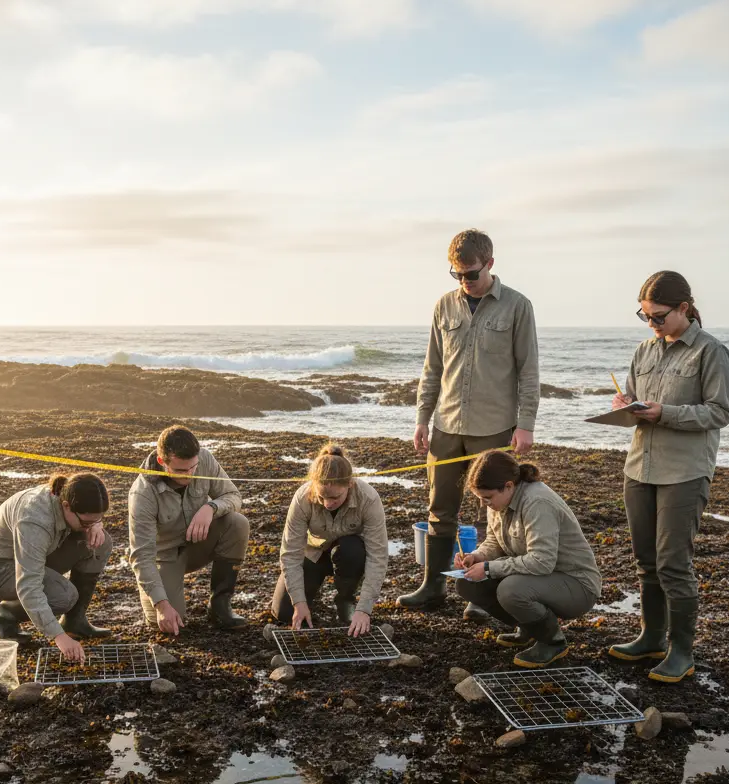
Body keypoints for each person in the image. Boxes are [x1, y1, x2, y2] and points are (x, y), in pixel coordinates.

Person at [399, 229, 540, 621]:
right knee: (439, 509)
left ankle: (482, 597)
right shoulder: (444, 306)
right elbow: (432, 369)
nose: (465, 282)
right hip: (445, 426)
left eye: (471, 274)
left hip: (494, 428)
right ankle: (432, 588)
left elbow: (529, 372)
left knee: (493, 515)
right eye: (457, 274)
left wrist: (525, 425)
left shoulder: (517, 306)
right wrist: (422, 420)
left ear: (490, 264)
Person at [607, 271, 729, 683]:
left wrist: (665, 413)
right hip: (639, 468)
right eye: (645, 317)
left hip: (685, 472)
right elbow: (634, 406)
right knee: (646, 563)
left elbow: (719, 413)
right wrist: (624, 406)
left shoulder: (711, 352)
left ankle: (682, 651)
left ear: (684, 308)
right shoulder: (644, 350)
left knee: (673, 564)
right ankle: (650, 637)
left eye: (659, 317)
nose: (651, 325)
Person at [454, 451, 601, 667]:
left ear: (509, 486)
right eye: (480, 498)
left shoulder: (537, 502)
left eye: (487, 498)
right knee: (467, 582)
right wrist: (477, 556)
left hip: (577, 585)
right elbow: (495, 542)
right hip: (541, 577)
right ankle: (530, 628)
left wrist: (487, 568)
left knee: (511, 590)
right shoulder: (499, 502)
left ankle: (553, 642)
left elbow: (542, 561)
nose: (484, 504)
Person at [0, 473, 113, 663]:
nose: (89, 526)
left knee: (101, 542)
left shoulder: (69, 497)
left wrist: (95, 525)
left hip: (34, 554)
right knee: (64, 596)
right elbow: (29, 586)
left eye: (96, 519)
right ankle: (4, 614)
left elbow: (89, 522)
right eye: (86, 522)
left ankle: (74, 621)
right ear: (66, 505)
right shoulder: (34, 520)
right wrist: (58, 636)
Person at [128, 425, 249, 634]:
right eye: (181, 470)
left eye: (193, 467)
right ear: (161, 462)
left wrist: (211, 508)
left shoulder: (205, 459)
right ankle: (161, 599)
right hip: (163, 558)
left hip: (197, 544)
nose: (189, 475)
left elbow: (234, 496)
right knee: (170, 625)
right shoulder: (142, 495)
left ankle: (220, 605)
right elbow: (141, 557)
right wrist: (162, 605)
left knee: (237, 523)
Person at [271, 444, 388, 636]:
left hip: (348, 556)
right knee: (283, 613)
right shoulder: (302, 498)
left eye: (335, 497)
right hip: (314, 554)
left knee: (353, 548)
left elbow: (378, 557)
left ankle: (345, 599)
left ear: (349, 484)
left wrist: (364, 609)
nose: (327, 503)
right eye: (322, 496)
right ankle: (309, 596)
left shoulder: (369, 499)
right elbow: (290, 553)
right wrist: (299, 602)